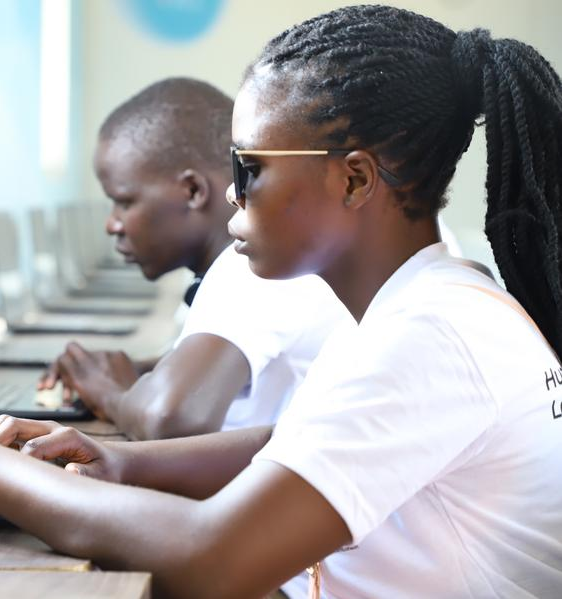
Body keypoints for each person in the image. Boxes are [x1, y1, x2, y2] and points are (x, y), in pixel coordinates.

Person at [0, 6, 562, 597]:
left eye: (249, 169)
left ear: (352, 182)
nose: (231, 194)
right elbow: (296, 442)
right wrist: (122, 462)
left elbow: (211, 556)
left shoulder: (431, 334)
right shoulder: (432, 302)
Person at [39, 77, 348, 439]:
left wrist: (110, 394)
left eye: (124, 202)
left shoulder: (248, 270)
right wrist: (121, 371)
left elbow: (172, 419)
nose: (112, 224)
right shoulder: (249, 261)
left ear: (192, 191)